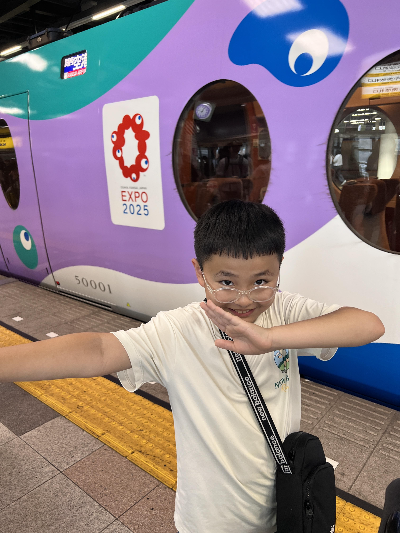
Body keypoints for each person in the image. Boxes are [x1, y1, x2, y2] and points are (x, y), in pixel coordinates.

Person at [0, 200, 385, 533]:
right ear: (199, 272)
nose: (244, 299)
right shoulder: (176, 331)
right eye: (226, 282)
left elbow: (369, 325)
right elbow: (99, 350)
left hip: (286, 509)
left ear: (279, 269)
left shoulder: (285, 312)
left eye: (261, 281)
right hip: (210, 522)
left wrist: (271, 339)